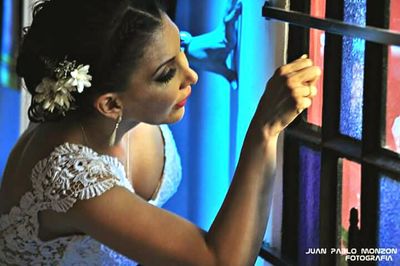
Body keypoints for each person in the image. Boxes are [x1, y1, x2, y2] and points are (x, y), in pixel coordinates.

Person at [0, 0, 320, 265]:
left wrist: (201, 49)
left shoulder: (90, 95)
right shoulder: (68, 180)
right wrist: (265, 129)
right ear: (111, 104)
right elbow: (219, 261)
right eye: (168, 73)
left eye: (180, 46)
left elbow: (141, 57)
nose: (191, 75)